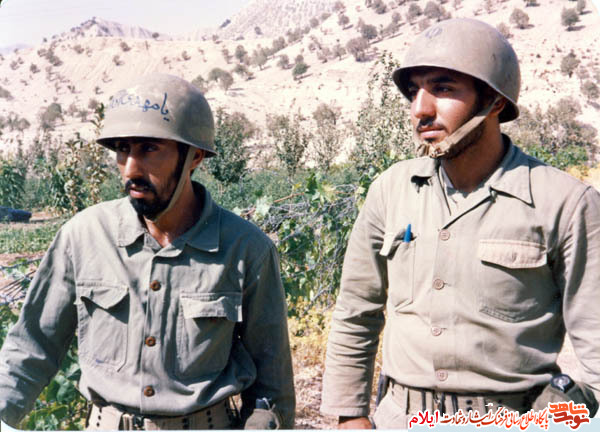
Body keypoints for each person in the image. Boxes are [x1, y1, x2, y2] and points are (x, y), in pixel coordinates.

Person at [321, 18, 600, 428]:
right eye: (414, 91)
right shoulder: (390, 190)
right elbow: (355, 313)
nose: (420, 109)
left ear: (494, 101)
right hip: (399, 417)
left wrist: (572, 417)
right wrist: (350, 416)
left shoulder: (564, 203)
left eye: (443, 88)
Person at [0, 74, 295, 430]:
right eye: (123, 150)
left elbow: (271, 388)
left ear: (195, 157)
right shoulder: (83, 236)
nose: (131, 169)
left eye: (149, 149)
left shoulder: (246, 249)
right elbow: (31, 348)